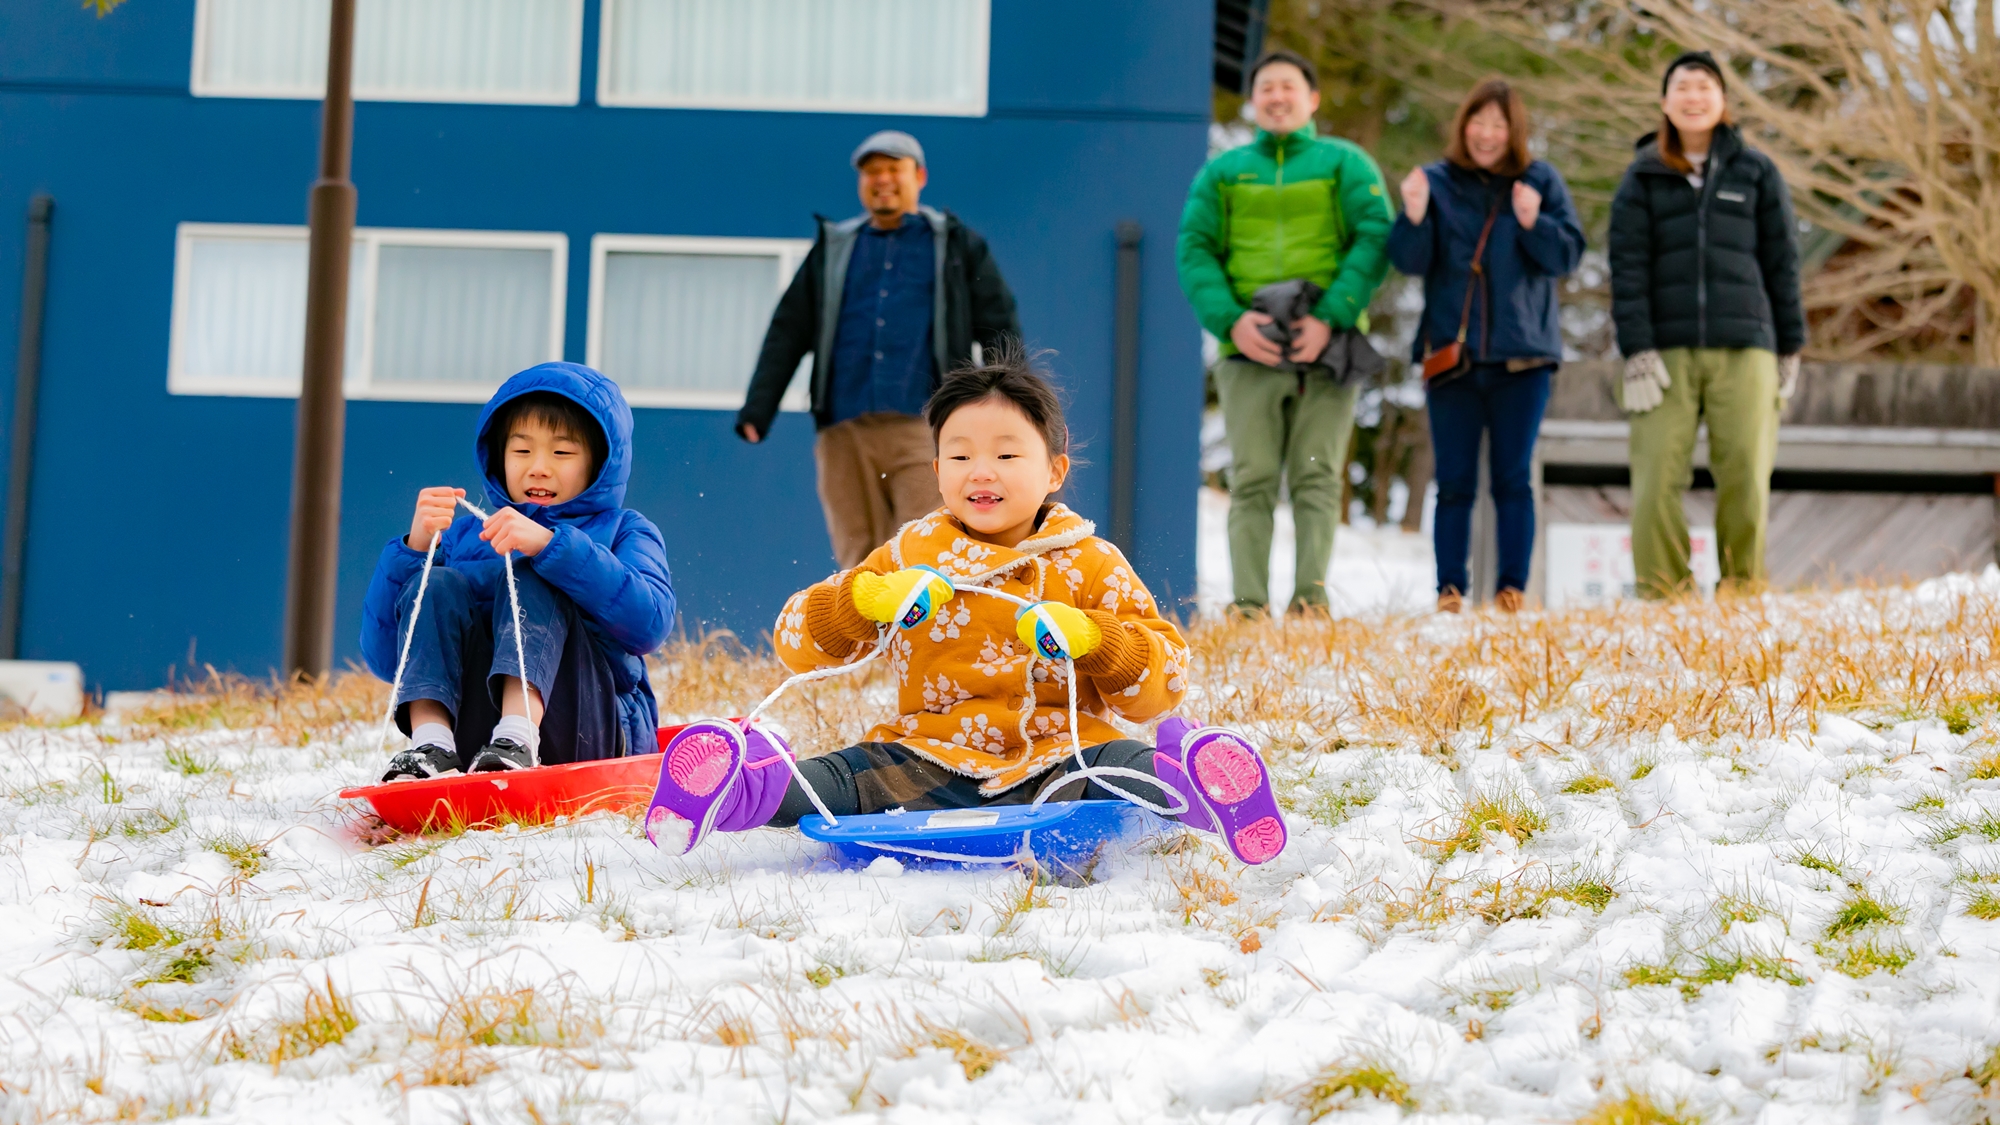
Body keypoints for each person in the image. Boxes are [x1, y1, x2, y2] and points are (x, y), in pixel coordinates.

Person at [646, 355, 1289, 867]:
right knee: (840, 780)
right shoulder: (912, 552)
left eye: (1008, 454)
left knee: (1123, 769)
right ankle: (729, 788)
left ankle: (1210, 791)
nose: (981, 470)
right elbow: (795, 642)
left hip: (1063, 761)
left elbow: (1163, 682)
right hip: (929, 759)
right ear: (936, 468)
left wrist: (1097, 639)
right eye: (959, 455)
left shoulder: (1090, 561)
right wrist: (861, 602)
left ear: (1055, 469)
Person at [361, 362, 676, 779]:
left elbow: (649, 624)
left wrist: (552, 546)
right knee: (437, 585)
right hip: (475, 743)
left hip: (585, 729)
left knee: (534, 573)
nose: (539, 467)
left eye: (562, 452)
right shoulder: (465, 535)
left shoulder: (625, 530)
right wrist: (417, 549)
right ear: (499, 457)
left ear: (599, 462)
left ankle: (519, 734)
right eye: (522, 451)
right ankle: (431, 748)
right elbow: (388, 662)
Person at [736, 129, 1022, 569]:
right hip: (844, 432)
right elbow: (789, 330)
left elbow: (998, 323)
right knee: (857, 555)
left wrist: (1012, 407)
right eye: (872, 172)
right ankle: (867, 640)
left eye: (894, 169)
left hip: (923, 426)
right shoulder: (834, 250)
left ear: (919, 176)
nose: (882, 179)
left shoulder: (955, 245)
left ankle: (923, 638)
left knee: (923, 547)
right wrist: (759, 409)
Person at [1177, 49, 1395, 616]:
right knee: (1250, 478)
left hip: (1328, 348)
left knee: (1317, 478)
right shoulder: (1223, 173)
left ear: (1313, 99)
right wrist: (1231, 321)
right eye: (1266, 88)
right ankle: (1247, 607)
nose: (1277, 97)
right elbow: (1195, 249)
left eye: (1288, 87)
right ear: (1253, 102)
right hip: (1246, 350)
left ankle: (1310, 607)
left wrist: (1331, 317)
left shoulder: (1345, 163)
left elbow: (1375, 236)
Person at [1610, 50, 1804, 597]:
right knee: (1653, 479)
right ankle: (1664, 593)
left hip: (1747, 346)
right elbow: (1626, 270)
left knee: (1745, 474)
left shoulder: (1757, 171)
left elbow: (1783, 261)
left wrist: (1790, 346)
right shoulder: (1641, 177)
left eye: (1704, 87)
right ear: (1664, 103)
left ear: (1723, 101)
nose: (1693, 97)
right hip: (1663, 352)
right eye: (1682, 87)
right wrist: (1637, 348)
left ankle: (1742, 591)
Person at [1389, 79, 1587, 614]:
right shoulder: (1434, 181)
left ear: (1514, 130)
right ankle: (1449, 594)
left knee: (1512, 478)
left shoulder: (1540, 179)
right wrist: (1412, 214)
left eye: (1499, 124)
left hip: (1523, 359)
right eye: (1478, 122)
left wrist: (1532, 221)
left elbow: (1567, 255)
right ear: (1463, 125)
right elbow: (1408, 260)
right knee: (1452, 482)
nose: (1487, 134)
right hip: (1451, 361)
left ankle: (1511, 593)